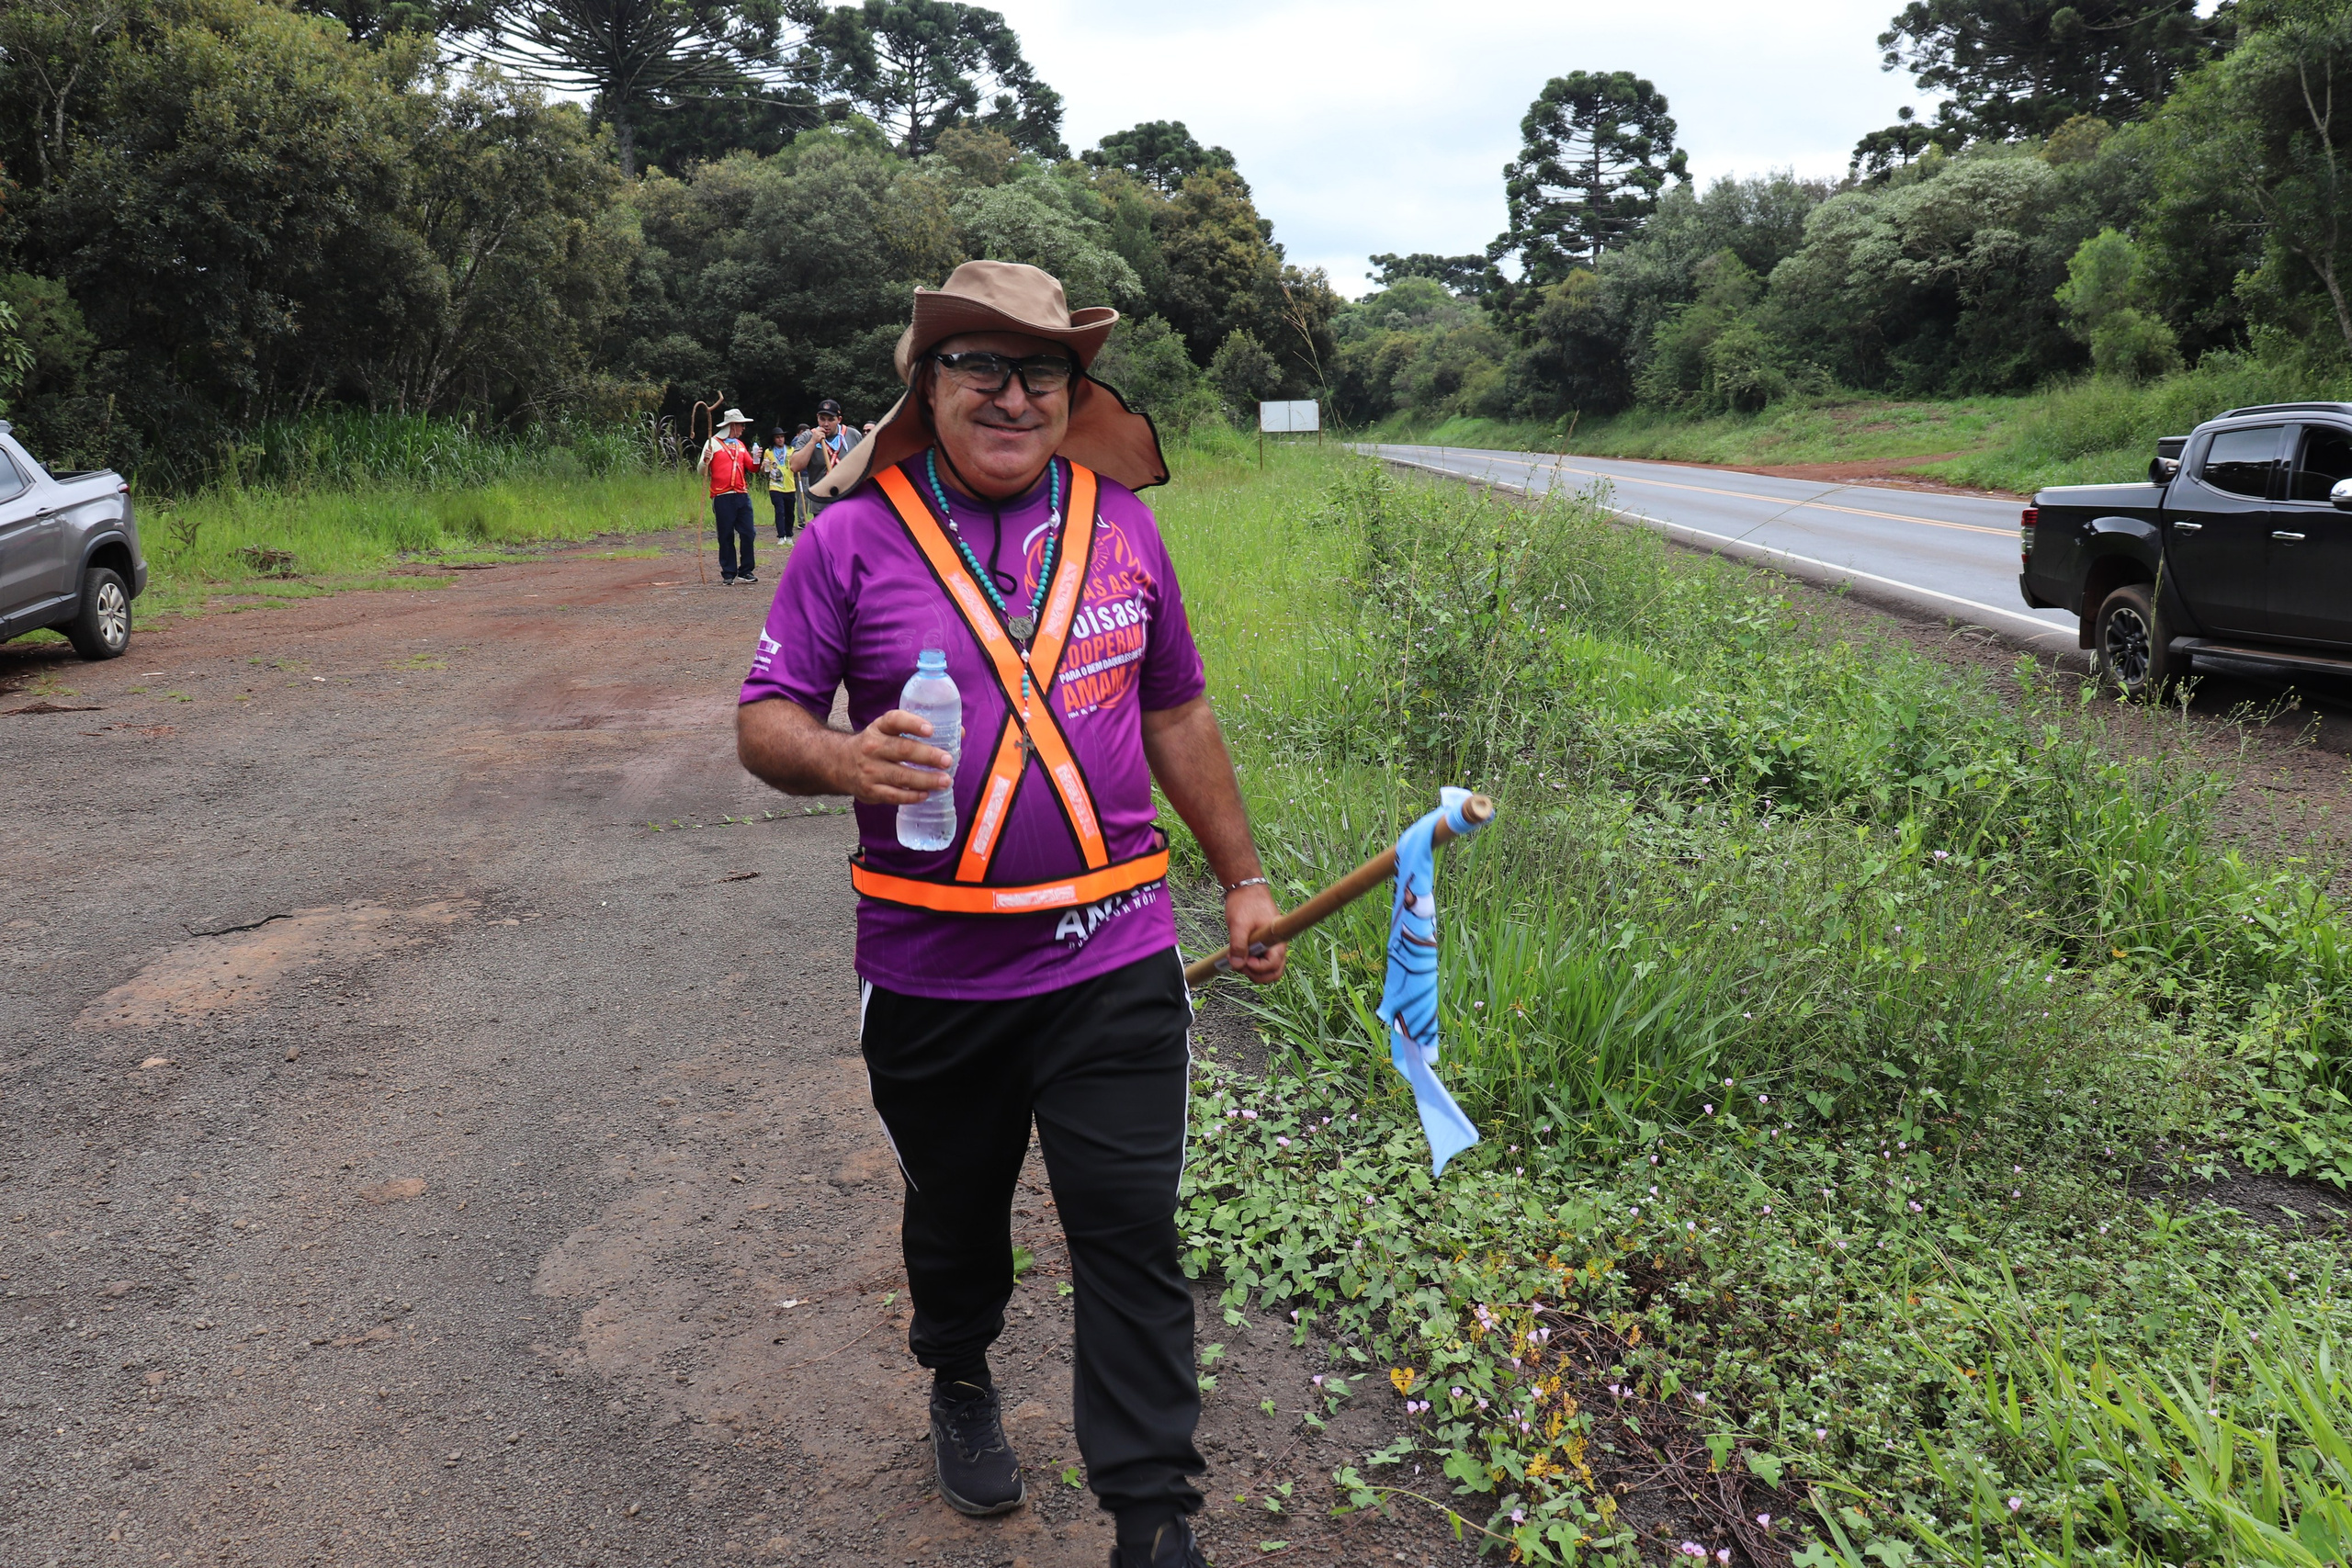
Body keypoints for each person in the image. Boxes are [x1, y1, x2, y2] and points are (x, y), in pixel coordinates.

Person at [735, 261, 1283, 1568]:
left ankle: (1155, 1518)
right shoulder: (848, 540)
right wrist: (839, 758)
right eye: (978, 364)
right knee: (958, 1213)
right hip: (934, 973)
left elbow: (1176, 711)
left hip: (1116, 954)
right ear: (928, 387)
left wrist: (1244, 875)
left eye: (1040, 370)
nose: (1011, 392)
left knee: (1130, 1228)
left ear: (1072, 394)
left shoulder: (1125, 530)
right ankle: (961, 1368)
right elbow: (766, 718)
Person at [700, 408, 758, 585]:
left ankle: (746, 570)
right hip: (722, 495)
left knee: (749, 533)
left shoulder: (740, 445)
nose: (743, 428)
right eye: (741, 425)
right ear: (732, 425)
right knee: (725, 535)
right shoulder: (712, 443)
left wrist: (758, 460)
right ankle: (728, 572)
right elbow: (701, 471)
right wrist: (705, 460)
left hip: (742, 494)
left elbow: (752, 468)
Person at [786, 397, 859, 524]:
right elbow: (794, 466)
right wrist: (813, 442)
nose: (826, 424)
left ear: (839, 420)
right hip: (822, 504)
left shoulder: (853, 435)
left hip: (849, 502)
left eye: (831, 420)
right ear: (817, 418)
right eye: (822, 419)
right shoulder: (808, 436)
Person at [763, 426, 798, 541]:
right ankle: (781, 536)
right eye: (777, 437)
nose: (780, 439)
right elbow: (764, 471)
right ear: (774, 439)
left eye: (782, 437)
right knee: (779, 510)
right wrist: (763, 466)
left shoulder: (791, 450)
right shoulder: (768, 452)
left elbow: (796, 465)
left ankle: (789, 535)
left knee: (790, 512)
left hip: (790, 485)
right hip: (775, 485)